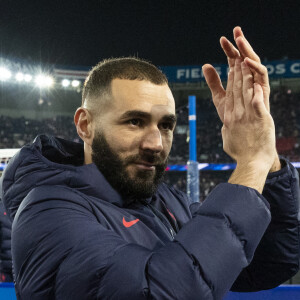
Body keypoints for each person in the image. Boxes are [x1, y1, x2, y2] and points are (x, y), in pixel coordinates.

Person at [0, 27, 299, 300]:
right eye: (134, 121)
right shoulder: (46, 211)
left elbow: (266, 265)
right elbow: (161, 293)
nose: (155, 143)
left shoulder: (166, 202)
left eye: (166, 125)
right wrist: (251, 164)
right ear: (85, 125)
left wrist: (267, 154)